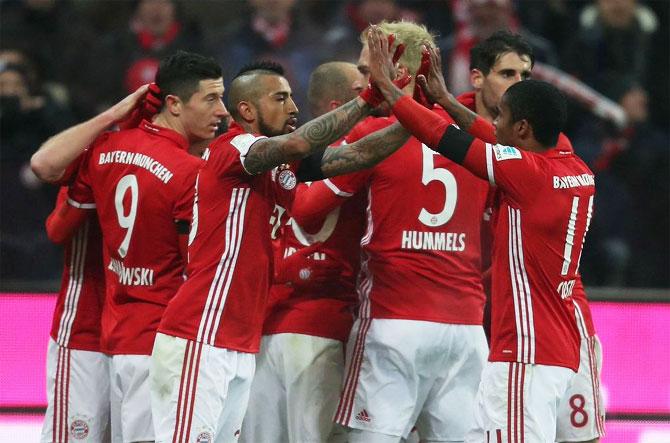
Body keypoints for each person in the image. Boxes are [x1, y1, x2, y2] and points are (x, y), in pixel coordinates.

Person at [151, 59, 411, 442]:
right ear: (247, 110)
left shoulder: (278, 165)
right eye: (280, 98)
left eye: (292, 99)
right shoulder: (234, 147)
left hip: (238, 340)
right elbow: (299, 142)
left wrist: (412, 116)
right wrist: (368, 99)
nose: (292, 108)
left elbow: (359, 156)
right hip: (200, 335)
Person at [368, 29, 593, 441]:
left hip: (523, 350)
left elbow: (446, 140)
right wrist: (449, 100)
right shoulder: (576, 169)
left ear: (522, 128)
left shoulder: (527, 175)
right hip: (559, 346)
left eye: (503, 118)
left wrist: (390, 91)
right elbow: (496, 140)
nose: (495, 124)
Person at [295, 22, 491, 442]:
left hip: (393, 322)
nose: (362, 85)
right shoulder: (472, 137)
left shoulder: (373, 134)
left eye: (369, 72)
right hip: (467, 328)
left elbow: (306, 211)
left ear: (397, 72)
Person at [31, 50, 228, 443]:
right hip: (107, 328)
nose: (221, 111)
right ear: (171, 103)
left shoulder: (102, 151)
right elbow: (197, 263)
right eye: (211, 99)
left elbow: (54, 218)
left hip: (117, 330)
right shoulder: (190, 172)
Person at [461, 31, 607, 443]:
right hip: (484, 316)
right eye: (508, 73)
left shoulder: (545, 152)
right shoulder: (547, 156)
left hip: (540, 328)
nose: (520, 83)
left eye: (526, 73)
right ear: (477, 79)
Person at [239, 61, 367, 443]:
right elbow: (307, 211)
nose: (373, 103)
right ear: (336, 107)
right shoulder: (342, 156)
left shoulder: (268, 155)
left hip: (265, 327)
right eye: (362, 95)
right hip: (317, 327)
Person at [41, 174, 109, 443]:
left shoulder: (186, 163)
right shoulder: (93, 156)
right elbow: (56, 231)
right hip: (87, 328)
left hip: (148, 335)